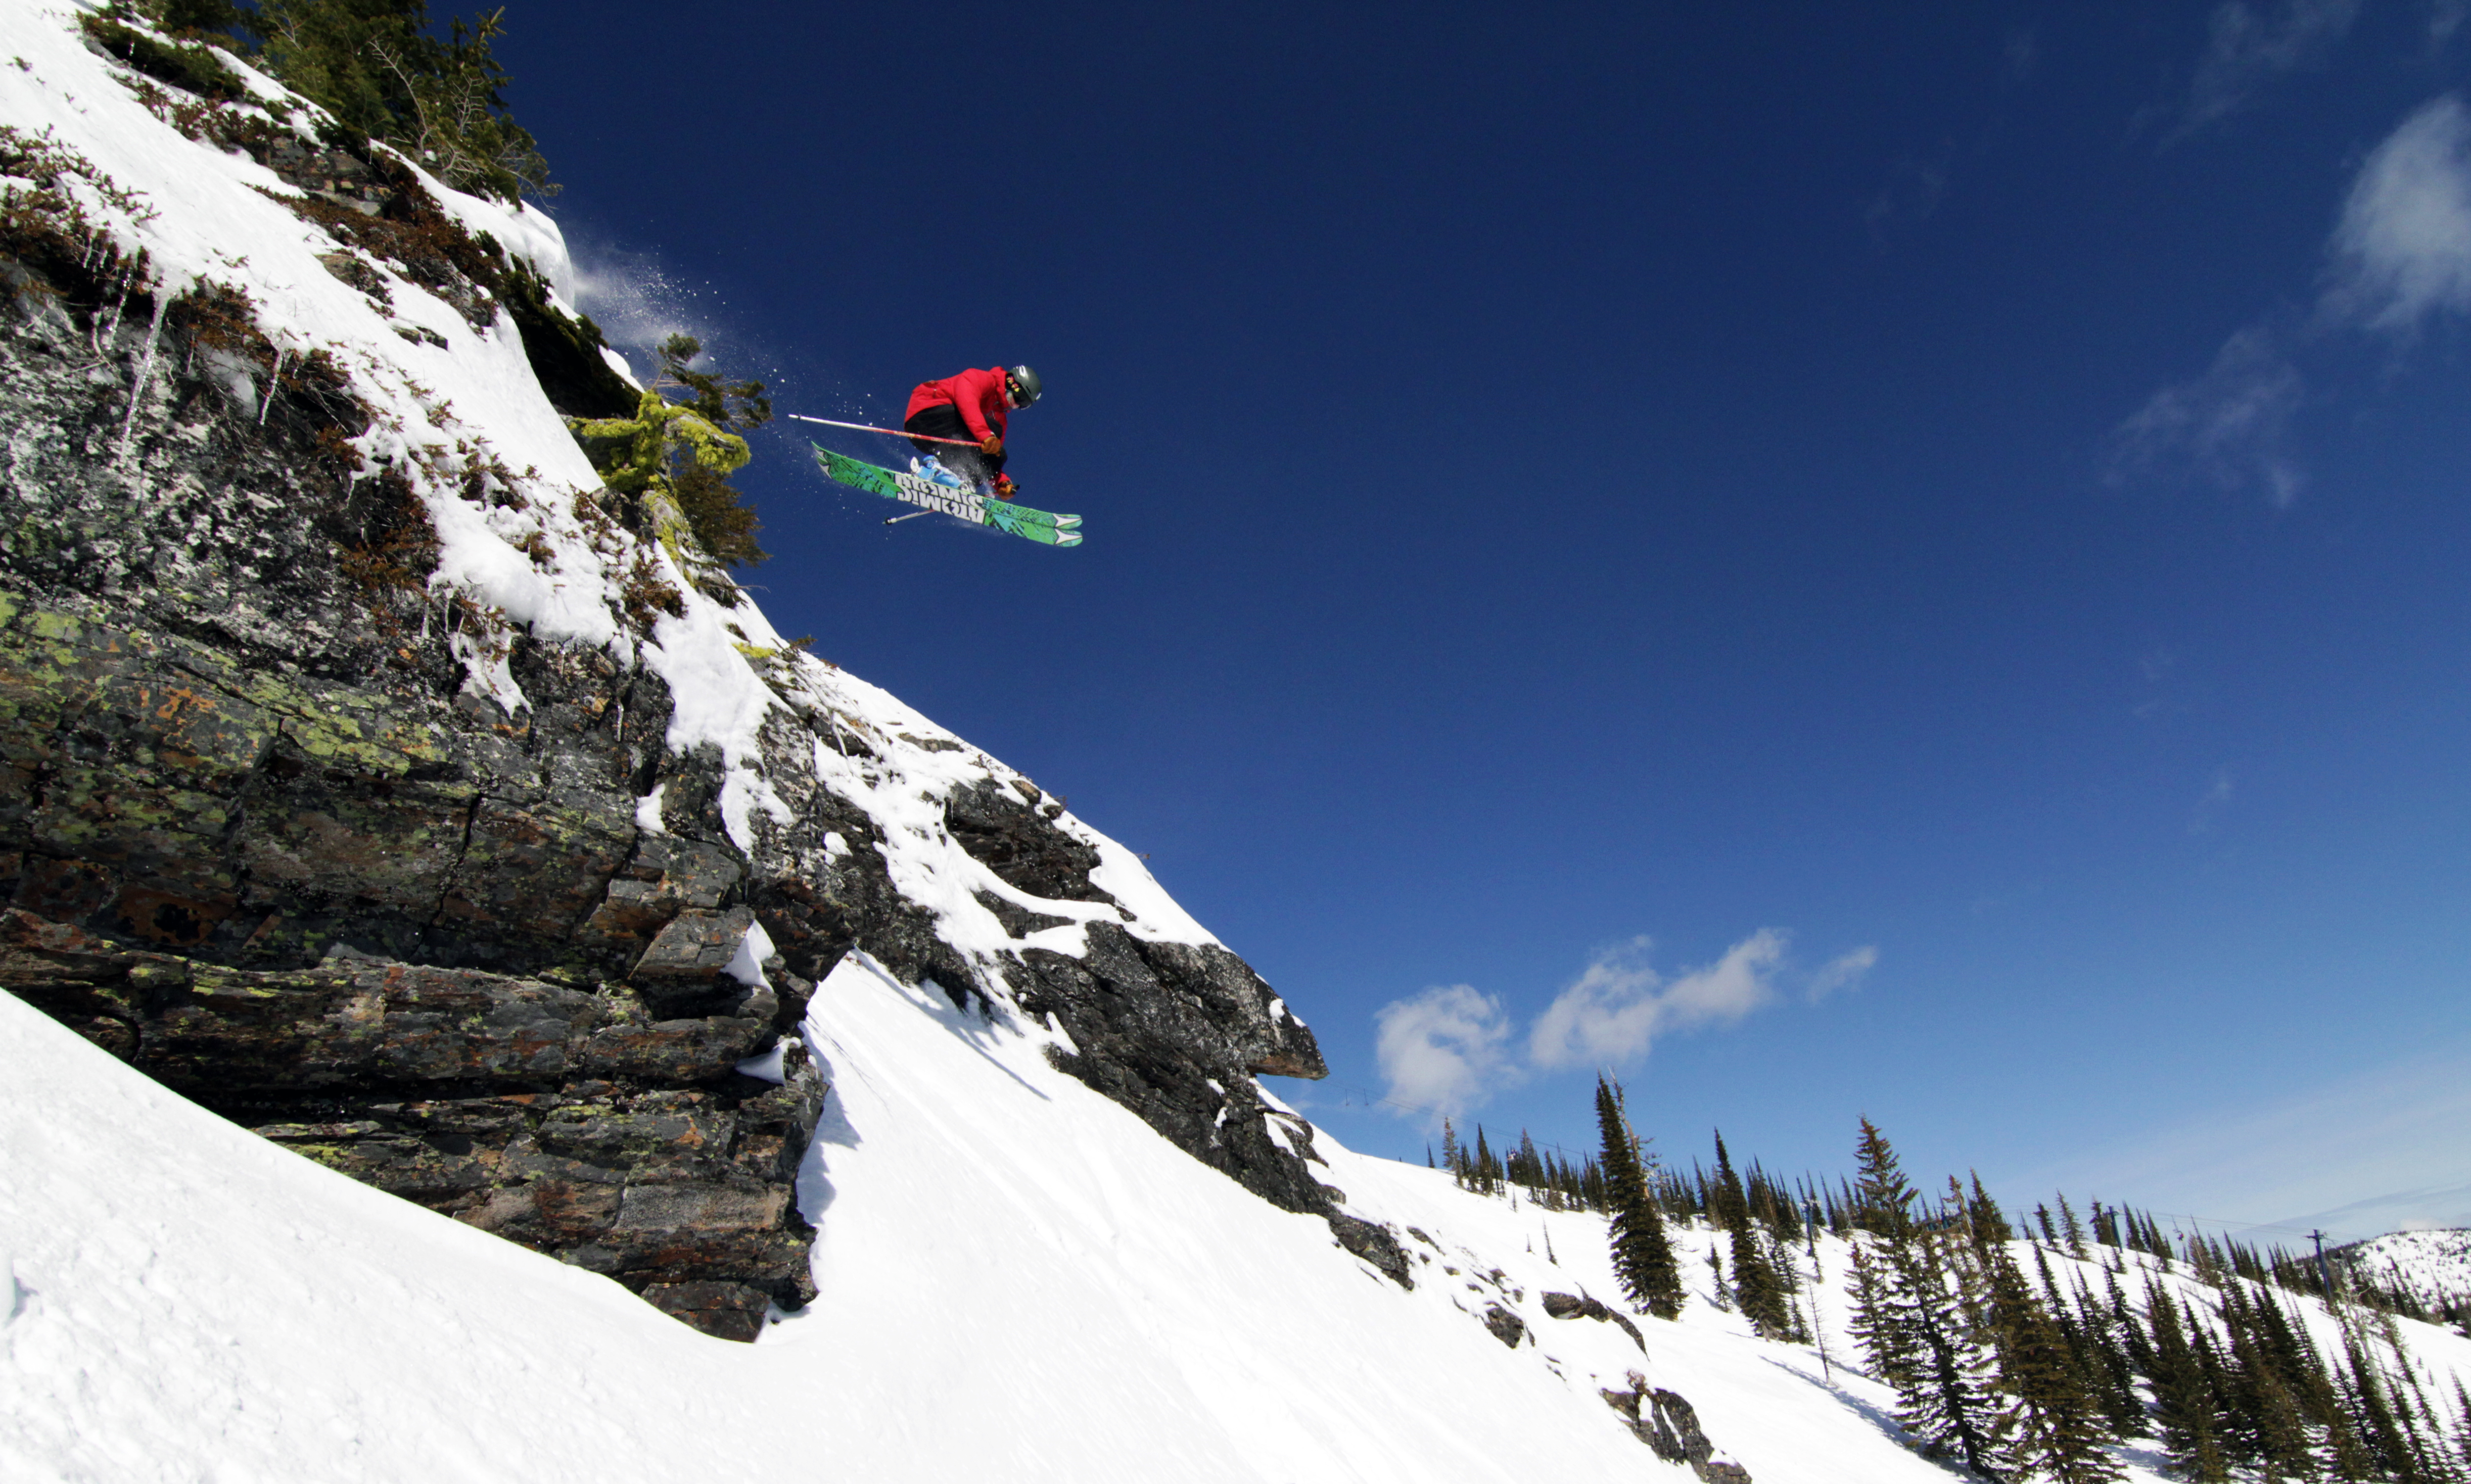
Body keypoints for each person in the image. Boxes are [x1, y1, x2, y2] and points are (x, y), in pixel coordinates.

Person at [904, 364, 1042, 499]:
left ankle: (953, 479)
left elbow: (988, 456)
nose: (1017, 405)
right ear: (1013, 384)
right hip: (927, 415)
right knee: (993, 430)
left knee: (998, 455)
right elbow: (966, 402)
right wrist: (986, 435)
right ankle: (936, 468)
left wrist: (1001, 483)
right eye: (1020, 400)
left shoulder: (999, 417)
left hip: (936, 440)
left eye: (1023, 406)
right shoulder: (982, 378)